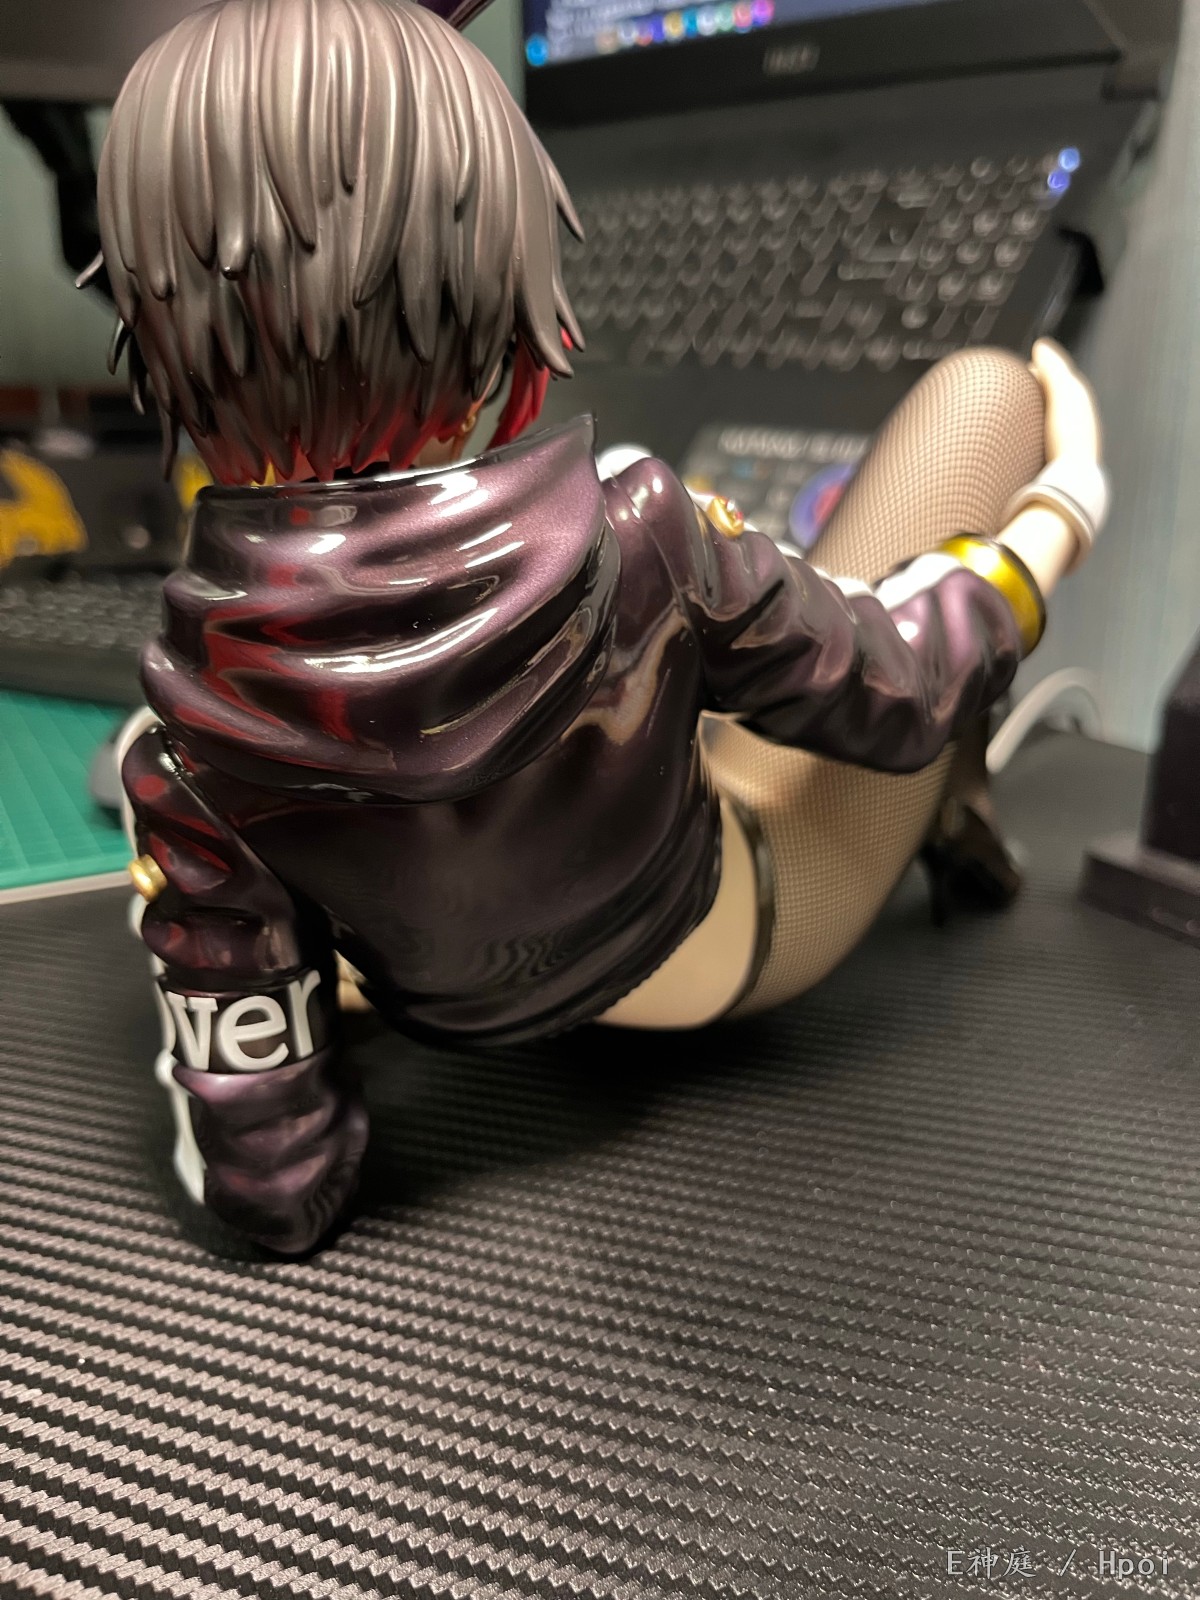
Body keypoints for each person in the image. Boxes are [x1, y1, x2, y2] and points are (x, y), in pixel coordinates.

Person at [96, 0, 1108, 1253]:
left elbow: (273, 1177)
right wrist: (1054, 522)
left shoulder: (187, 737)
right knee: (987, 395)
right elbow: (904, 689)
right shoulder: (640, 534)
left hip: (434, 996)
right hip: (724, 945)